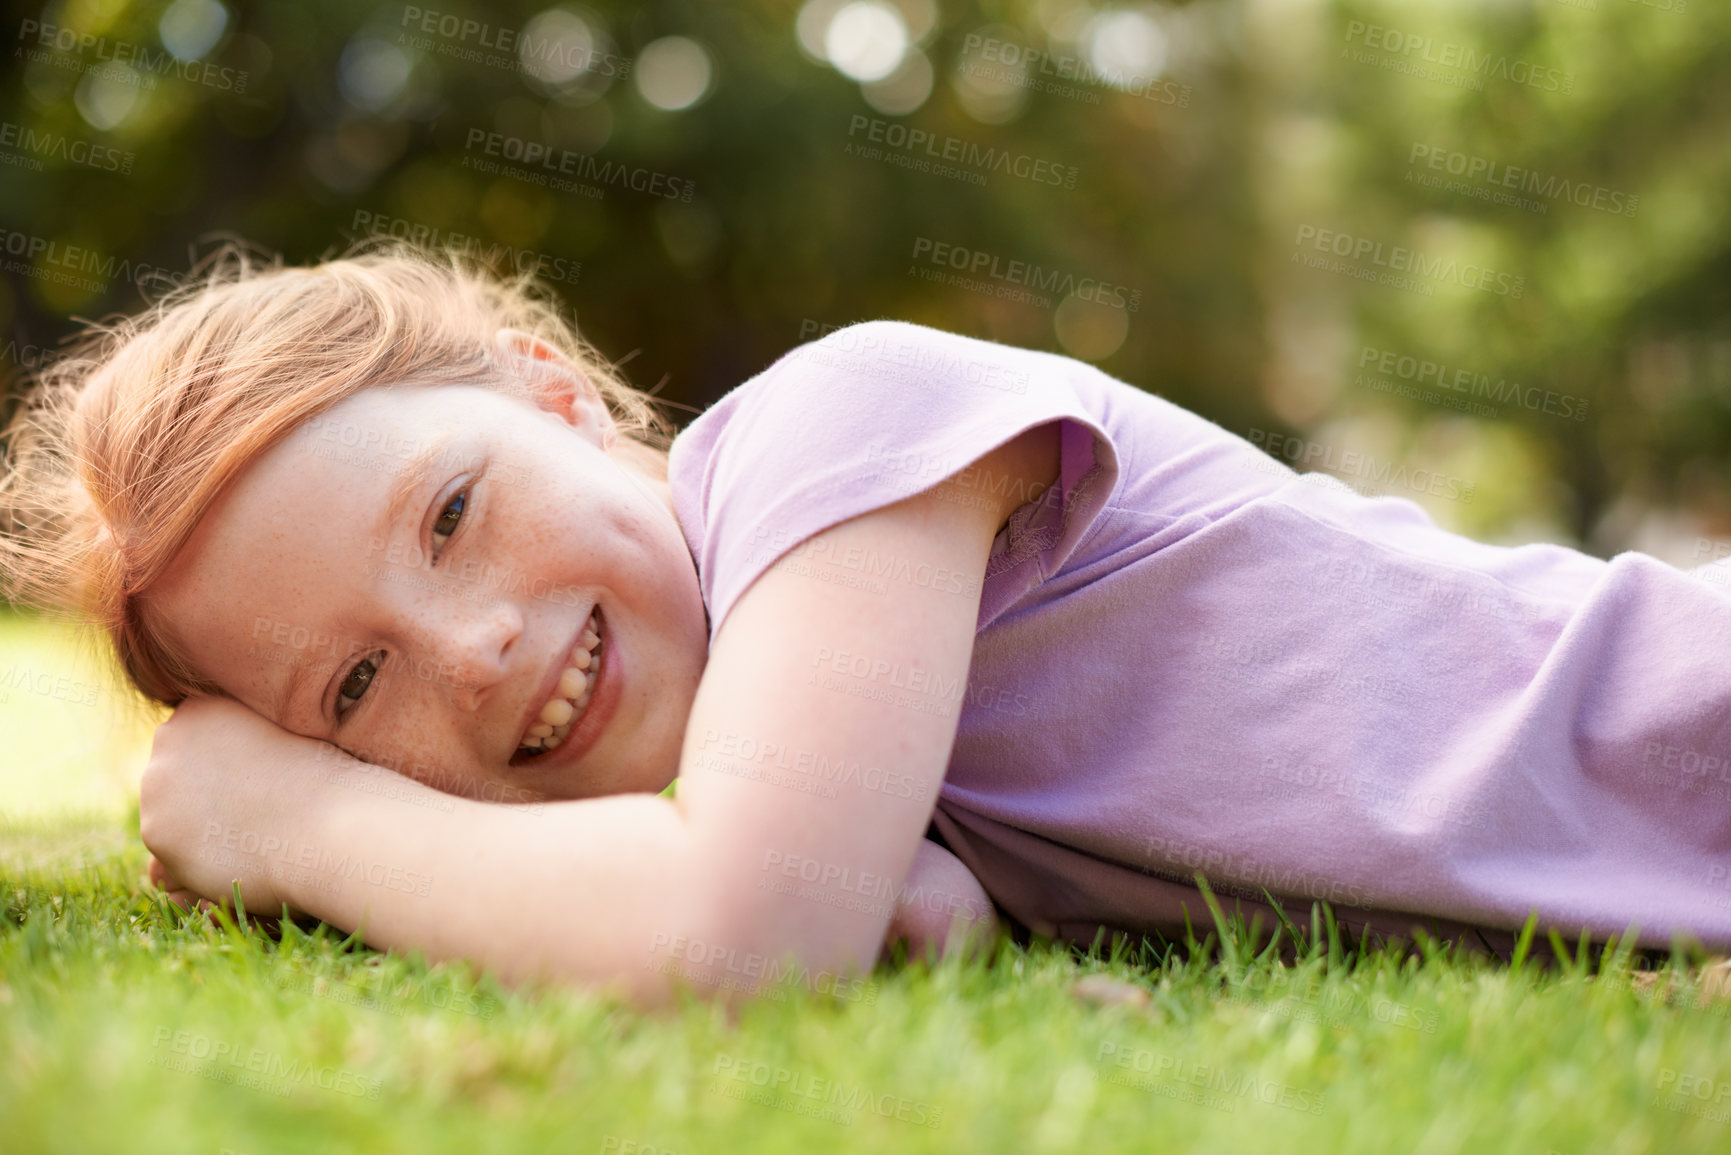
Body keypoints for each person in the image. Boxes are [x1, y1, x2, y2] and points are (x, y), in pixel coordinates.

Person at [3, 240, 1727, 1005]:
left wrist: (288, 811)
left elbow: (737, 939)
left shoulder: (835, 430)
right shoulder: (825, 748)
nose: (473, 653)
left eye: (451, 514)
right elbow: (862, 897)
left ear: (556, 398)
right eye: (354, 684)